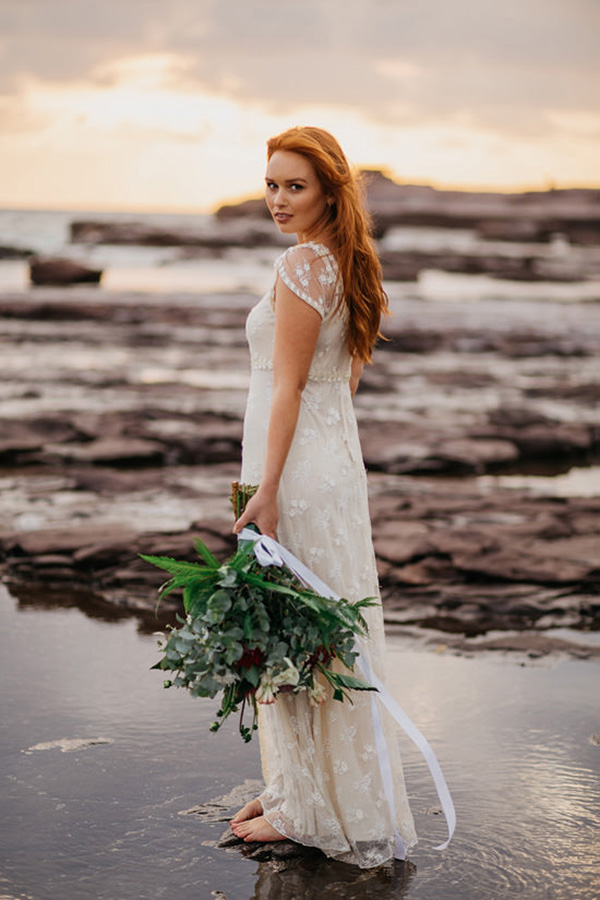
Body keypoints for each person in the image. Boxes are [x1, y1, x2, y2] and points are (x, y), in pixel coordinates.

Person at [230, 126, 417, 868]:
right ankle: (303, 792)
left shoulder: (303, 263)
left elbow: (289, 387)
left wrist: (268, 487)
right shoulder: (348, 264)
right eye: (271, 183)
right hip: (330, 463)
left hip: (298, 473)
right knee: (318, 635)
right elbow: (342, 381)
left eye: (294, 186)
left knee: (299, 638)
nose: (278, 200)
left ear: (330, 192)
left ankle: (309, 808)